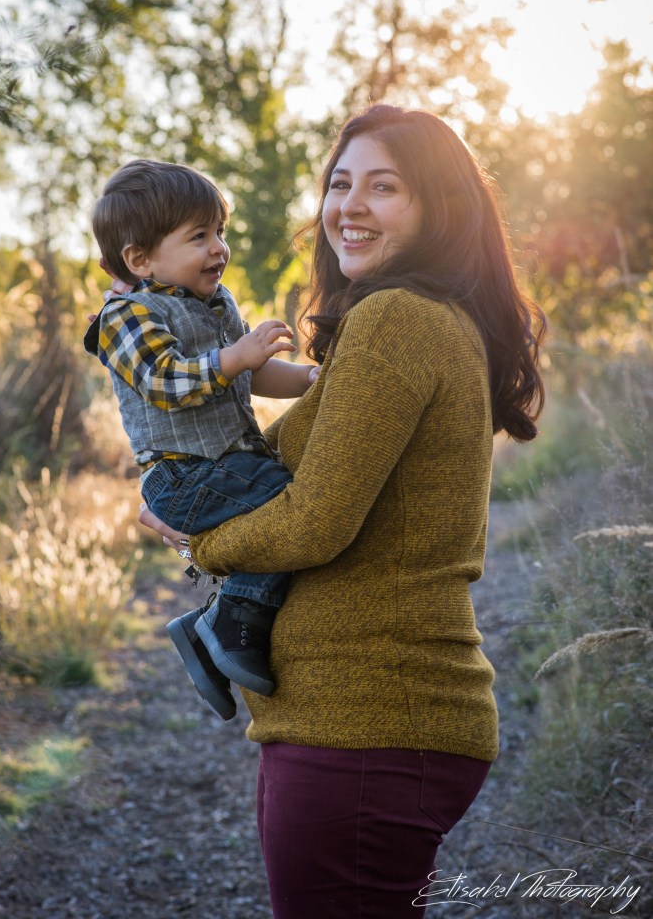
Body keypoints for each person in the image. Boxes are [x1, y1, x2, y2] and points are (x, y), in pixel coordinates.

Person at [139, 104, 547, 918]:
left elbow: (314, 519)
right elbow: (283, 470)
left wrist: (203, 538)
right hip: (362, 724)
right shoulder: (416, 322)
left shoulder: (399, 320)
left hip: (364, 730)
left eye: (384, 187)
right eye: (340, 183)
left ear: (439, 208)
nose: (348, 206)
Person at [84, 159, 318, 721]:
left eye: (220, 233)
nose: (219, 249)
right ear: (141, 259)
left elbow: (253, 375)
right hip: (181, 475)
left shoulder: (218, 303)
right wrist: (237, 356)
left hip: (228, 465)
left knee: (290, 506)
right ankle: (228, 618)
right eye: (199, 237)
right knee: (296, 508)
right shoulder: (126, 316)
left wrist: (314, 380)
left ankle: (210, 631)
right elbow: (165, 382)